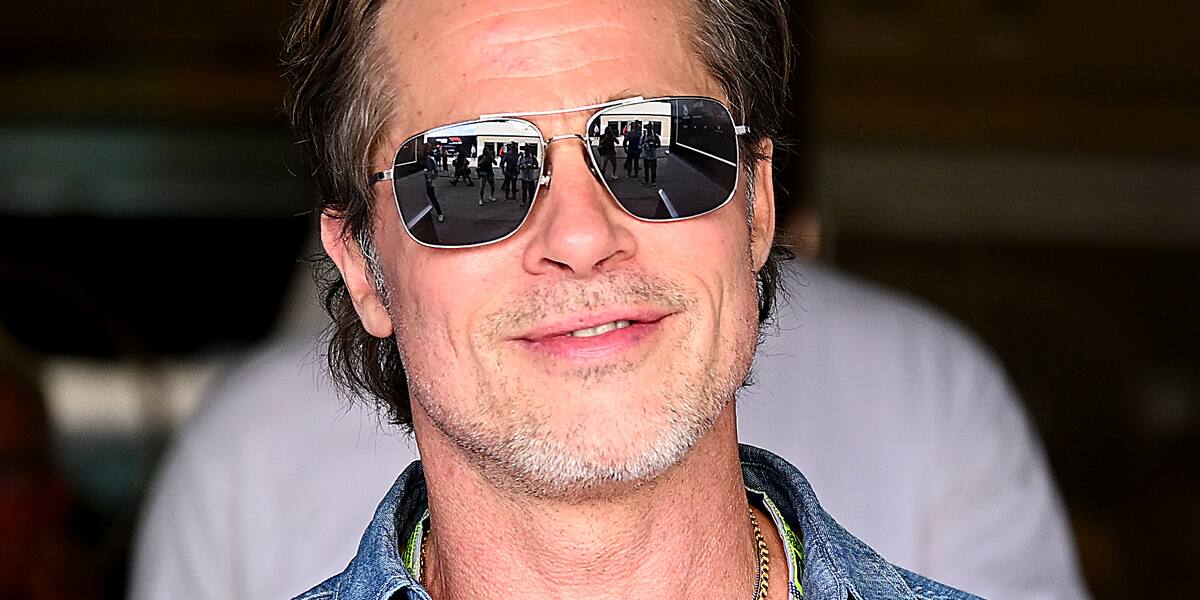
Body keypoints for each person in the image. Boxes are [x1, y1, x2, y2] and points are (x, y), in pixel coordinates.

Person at [130, 261, 1091, 600]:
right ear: (356, 251)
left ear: (755, 195)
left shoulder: (932, 379)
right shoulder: (243, 440)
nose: (580, 236)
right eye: (474, 167)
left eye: (655, 142)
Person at [422, 148, 445, 223]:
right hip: (420, 183)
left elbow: (436, 173)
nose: (425, 152)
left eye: (427, 150)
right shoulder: (419, 161)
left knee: (432, 198)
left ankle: (440, 213)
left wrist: (430, 178)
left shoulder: (431, 160)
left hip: (429, 183)